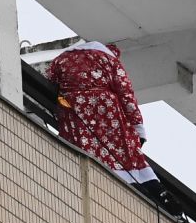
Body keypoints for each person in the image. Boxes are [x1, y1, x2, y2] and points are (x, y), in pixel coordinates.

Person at [45, 39, 158, 188]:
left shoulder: (61, 59)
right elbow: (125, 93)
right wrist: (138, 127)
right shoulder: (109, 59)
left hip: (72, 106)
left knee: (84, 144)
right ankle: (138, 181)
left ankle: (89, 175)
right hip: (104, 106)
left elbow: (49, 80)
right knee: (119, 148)